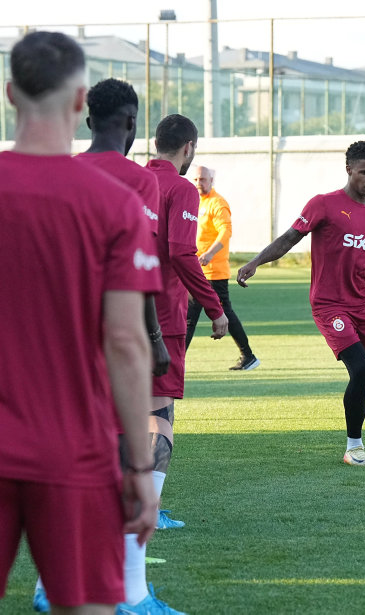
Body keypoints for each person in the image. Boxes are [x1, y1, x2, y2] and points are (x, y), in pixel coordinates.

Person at [0, 31, 158, 614]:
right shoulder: (112, 203)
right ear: (78, 101)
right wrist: (139, 466)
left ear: (12, 94)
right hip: (73, 449)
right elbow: (126, 341)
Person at [30, 78, 183, 615]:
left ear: (87, 120)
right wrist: (155, 339)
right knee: (149, 440)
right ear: (134, 124)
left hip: (54, 337)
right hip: (112, 338)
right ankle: (134, 594)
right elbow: (132, 263)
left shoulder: (61, 174)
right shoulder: (140, 181)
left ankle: (53, 585)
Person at [237, 140, 365, 466]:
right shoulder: (323, 204)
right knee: (361, 370)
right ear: (349, 169)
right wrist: (255, 262)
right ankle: (353, 447)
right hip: (329, 305)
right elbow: (289, 238)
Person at [146, 115, 229, 530]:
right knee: (159, 413)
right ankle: (149, 509)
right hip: (161, 318)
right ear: (189, 148)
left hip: (115, 315)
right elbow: (181, 252)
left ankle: (118, 504)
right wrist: (214, 307)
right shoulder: (180, 188)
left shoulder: (134, 180)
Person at [186, 165, 260, 371]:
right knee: (192, 315)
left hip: (213, 271)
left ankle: (248, 355)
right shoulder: (198, 202)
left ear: (211, 181)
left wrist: (209, 253)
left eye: (202, 179)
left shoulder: (218, 203)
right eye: (196, 180)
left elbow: (225, 232)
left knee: (199, 315)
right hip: (197, 270)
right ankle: (248, 356)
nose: (199, 183)